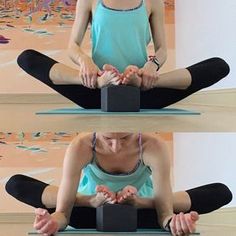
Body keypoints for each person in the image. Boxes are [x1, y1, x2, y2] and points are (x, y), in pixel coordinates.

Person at [5, 133, 232, 236]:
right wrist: (53, 220)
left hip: (143, 207)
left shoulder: (153, 146)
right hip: (87, 209)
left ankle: (133, 206)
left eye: (124, 139)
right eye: (107, 139)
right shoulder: (81, 145)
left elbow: (165, 214)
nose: (115, 147)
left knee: (221, 193)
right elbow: (63, 213)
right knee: (16, 184)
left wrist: (173, 221)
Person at [16, 0, 230, 109]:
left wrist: (150, 68)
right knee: (27, 58)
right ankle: (97, 82)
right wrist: (86, 63)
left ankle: (147, 82)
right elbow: (72, 45)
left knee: (219, 66)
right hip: (96, 91)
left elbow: (162, 49)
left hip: (142, 91)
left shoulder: (152, 2)